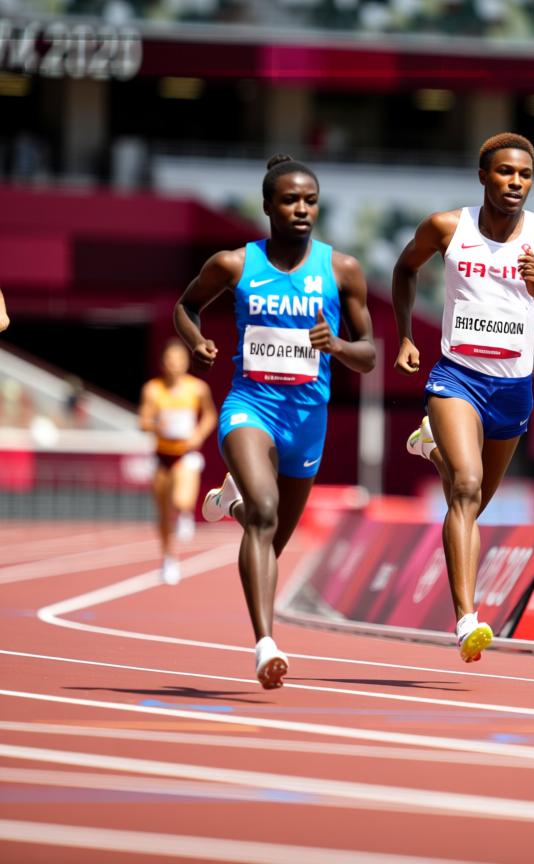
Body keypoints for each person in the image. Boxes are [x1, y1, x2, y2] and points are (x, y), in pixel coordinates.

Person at [173, 154, 376, 688]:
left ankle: (231, 502)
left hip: (308, 418)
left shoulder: (342, 270)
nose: (301, 209)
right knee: (264, 515)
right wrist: (196, 340)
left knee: (271, 538)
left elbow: (370, 353)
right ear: (267, 206)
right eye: (290, 200)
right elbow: (185, 306)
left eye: (310, 200)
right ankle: (265, 645)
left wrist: (337, 345)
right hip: (250, 407)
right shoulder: (235, 265)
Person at [392, 132, 534, 663]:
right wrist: (406, 334)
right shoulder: (448, 227)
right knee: (466, 488)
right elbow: (406, 269)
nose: (515, 182)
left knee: (470, 506)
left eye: (524, 174)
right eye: (504, 172)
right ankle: (467, 619)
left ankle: (430, 447)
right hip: (456, 377)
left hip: (512, 389)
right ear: (483, 176)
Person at [138, 339, 217, 585]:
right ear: (163, 363)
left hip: (186, 454)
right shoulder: (153, 389)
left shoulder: (198, 389)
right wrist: (156, 425)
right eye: (170, 360)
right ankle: (168, 559)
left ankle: (185, 514)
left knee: (180, 498)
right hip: (162, 455)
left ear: (186, 363)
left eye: (179, 360)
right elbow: (143, 421)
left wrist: (198, 434)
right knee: (162, 515)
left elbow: (210, 416)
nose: (174, 365)